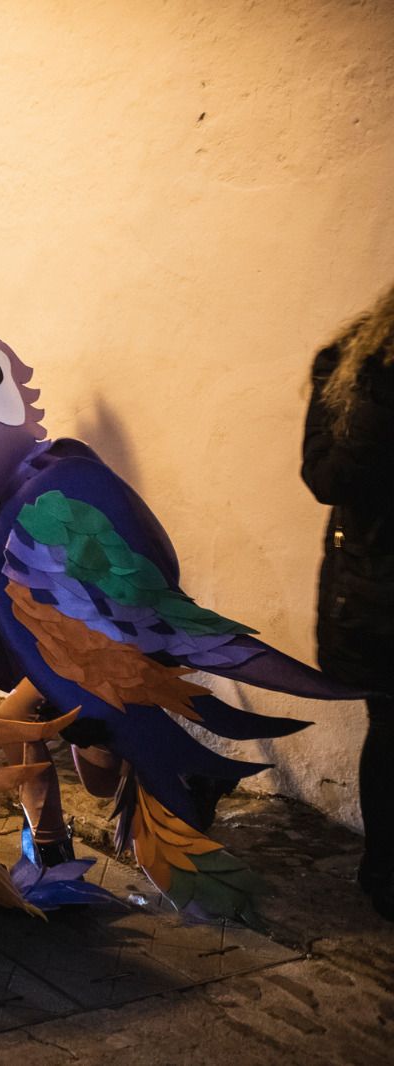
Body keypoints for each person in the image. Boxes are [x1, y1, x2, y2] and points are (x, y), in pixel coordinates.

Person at [302, 281, 394, 922]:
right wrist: (375, 402)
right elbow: (326, 477)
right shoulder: (353, 369)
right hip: (377, 592)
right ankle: (385, 873)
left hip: (371, 589)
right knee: (390, 729)